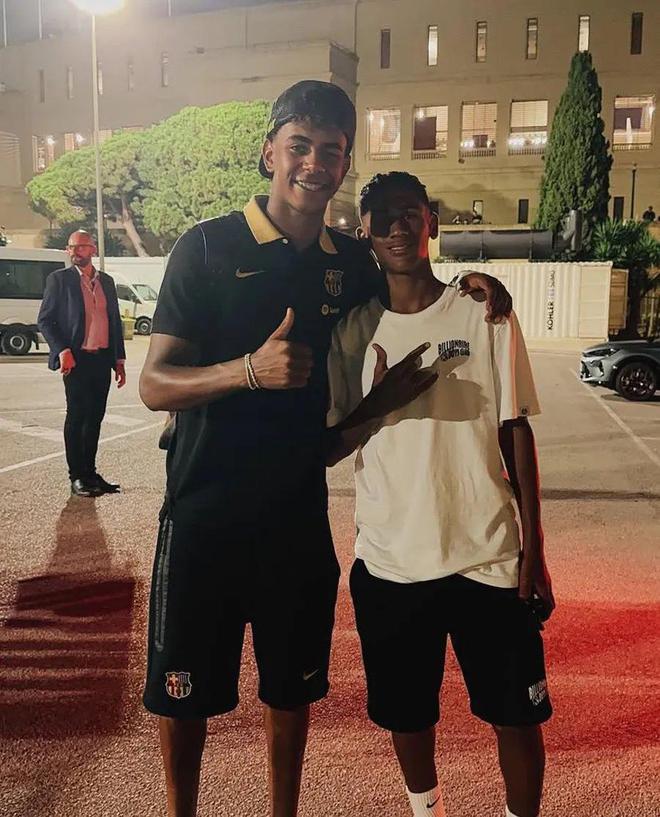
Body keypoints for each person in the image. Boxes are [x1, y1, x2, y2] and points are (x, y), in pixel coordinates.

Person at [139, 81, 512, 817]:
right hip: (204, 515)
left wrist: (473, 282)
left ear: (344, 163)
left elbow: (411, 282)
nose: (314, 163)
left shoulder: (350, 262)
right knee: (183, 698)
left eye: (332, 150)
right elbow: (154, 383)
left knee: (291, 692)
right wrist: (248, 371)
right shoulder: (206, 246)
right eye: (300, 146)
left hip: (296, 518)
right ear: (269, 152)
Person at [326, 171, 554, 817]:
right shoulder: (352, 331)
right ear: (365, 232)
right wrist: (379, 403)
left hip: (488, 554)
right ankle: (428, 811)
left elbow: (515, 430)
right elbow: (329, 446)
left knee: (517, 715)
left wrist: (535, 550)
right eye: (382, 216)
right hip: (393, 560)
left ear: (432, 220)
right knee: (408, 715)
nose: (397, 226)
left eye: (409, 212)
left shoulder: (485, 311)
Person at [38, 230, 126, 497]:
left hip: (101, 359)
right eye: (71, 247)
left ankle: (90, 473)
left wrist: (119, 360)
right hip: (76, 360)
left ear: (93, 249)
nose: (75, 251)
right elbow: (45, 320)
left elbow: (114, 321)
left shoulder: (106, 282)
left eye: (81, 247)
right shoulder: (59, 280)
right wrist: (62, 350)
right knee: (77, 417)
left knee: (95, 418)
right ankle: (76, 476)